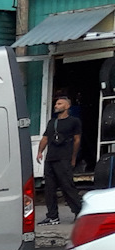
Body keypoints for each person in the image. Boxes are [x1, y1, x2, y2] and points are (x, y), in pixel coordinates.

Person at [37, 94, 85, 224]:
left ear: (67, 106)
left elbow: (77, 140)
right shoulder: (52, 122)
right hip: (50, 159)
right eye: (56, 104)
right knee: (49, 189)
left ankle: (80, 212)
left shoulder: (74, 121)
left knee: (67, 186)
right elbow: (45, 138)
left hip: (64, 158)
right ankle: (52, 216)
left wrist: (73, 157)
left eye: (60, 104)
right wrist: (40, 152)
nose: (56, 106)